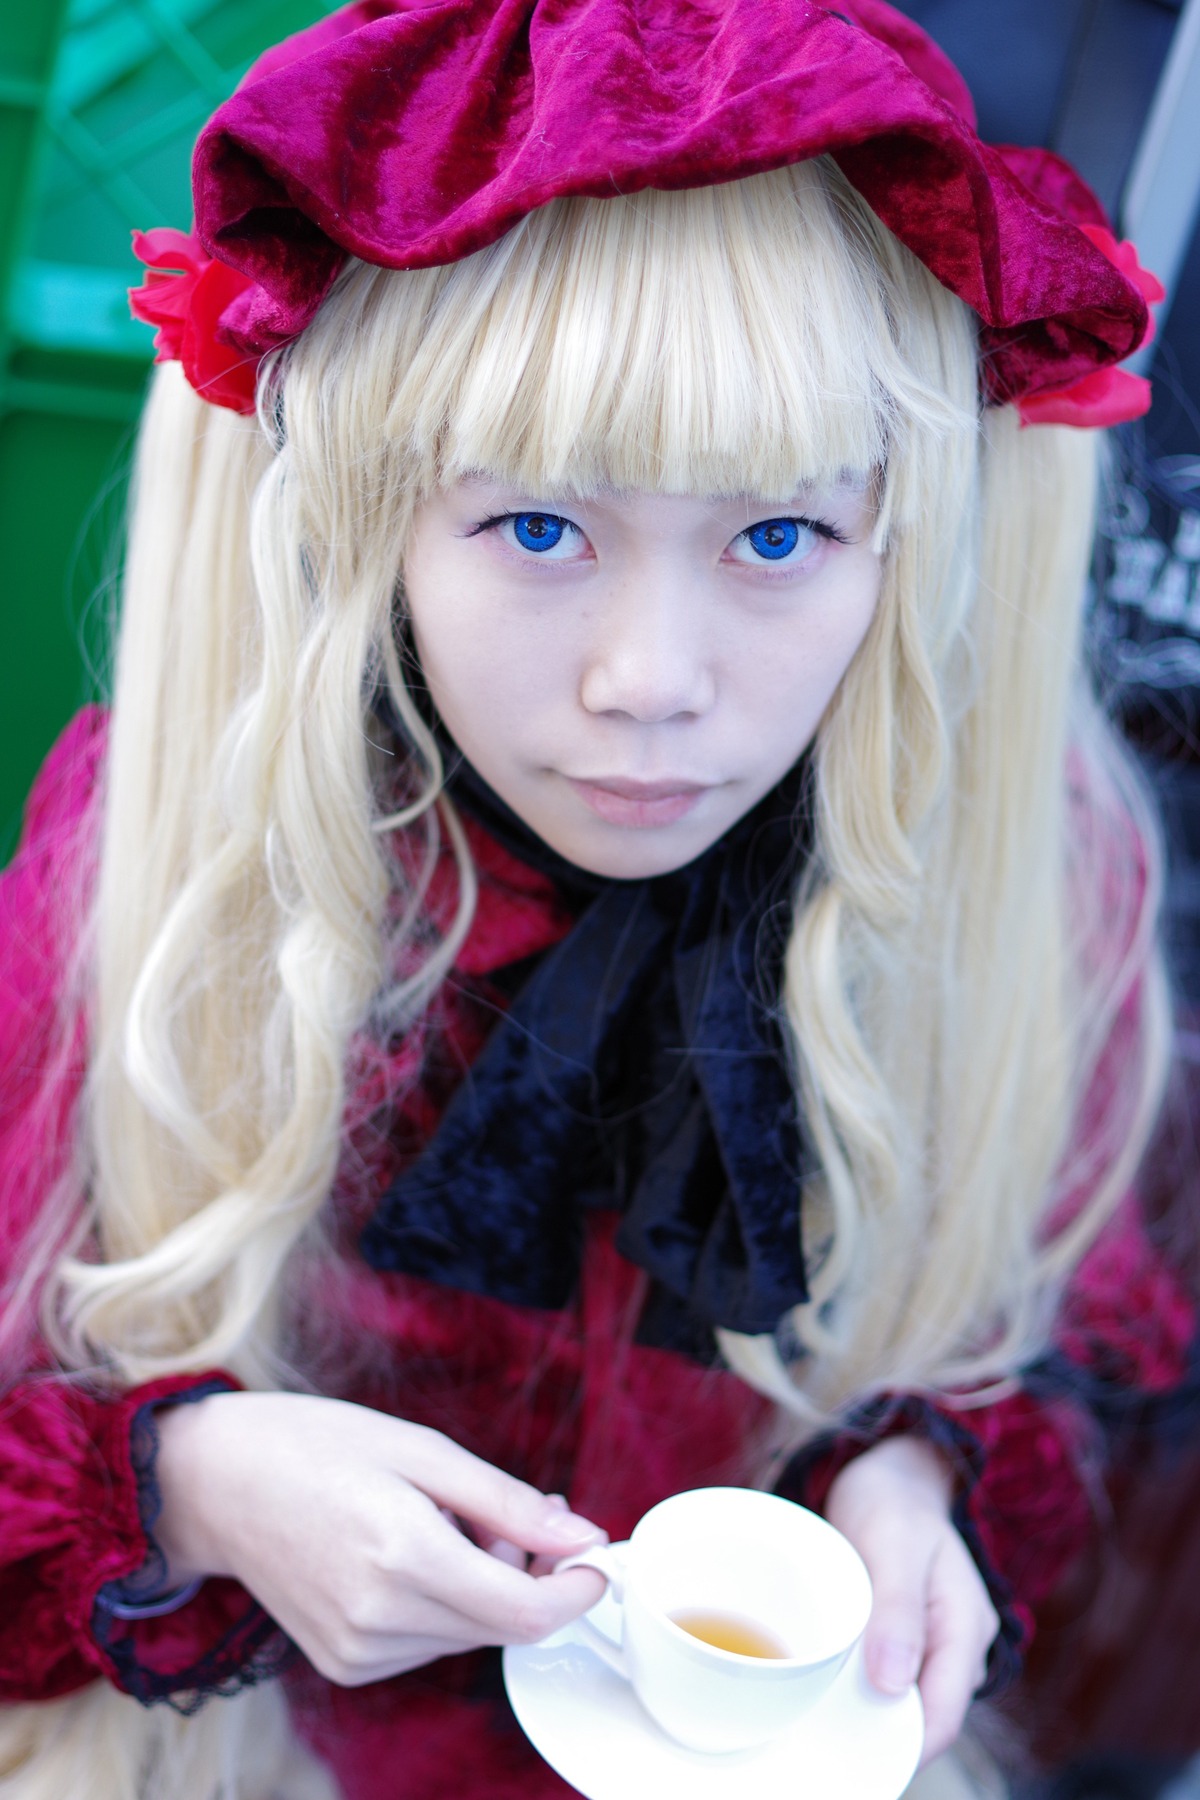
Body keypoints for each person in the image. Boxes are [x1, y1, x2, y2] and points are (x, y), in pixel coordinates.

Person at [0, 3, 1193, 1797]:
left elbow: (1054, 1312)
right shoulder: (168, 855)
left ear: (906, 530)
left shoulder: (1020, 879)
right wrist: (184, 1483)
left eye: (779, 536)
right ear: (376, 522)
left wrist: (910, 1464)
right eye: (540, 529)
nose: (652, 680)